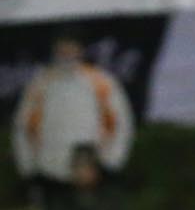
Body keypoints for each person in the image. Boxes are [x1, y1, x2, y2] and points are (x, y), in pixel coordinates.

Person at [11, 32, 135, 190]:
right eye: (62, 51)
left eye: (71, 50)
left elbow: (122, 124)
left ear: (80, 51)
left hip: (92, 172)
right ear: (54, 52)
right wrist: (27, 169)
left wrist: (112, 163)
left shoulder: (101, 81)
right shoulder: (39, 85)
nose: (67, 56)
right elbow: (23, 128)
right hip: (49, 173)